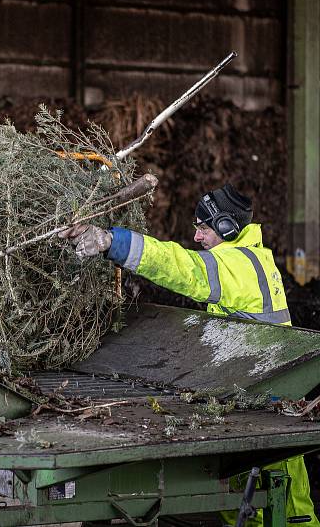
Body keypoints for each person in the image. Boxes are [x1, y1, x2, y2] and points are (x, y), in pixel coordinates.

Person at [59, 184, 317, 527]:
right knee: (273, 506)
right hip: (260, 400)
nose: (196, 236)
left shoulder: (238, 265)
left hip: (265, 408)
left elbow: (181, 267)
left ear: (227, 228)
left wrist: (113, 242)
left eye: (203, 227)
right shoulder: (252, 258)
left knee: (283, 513)